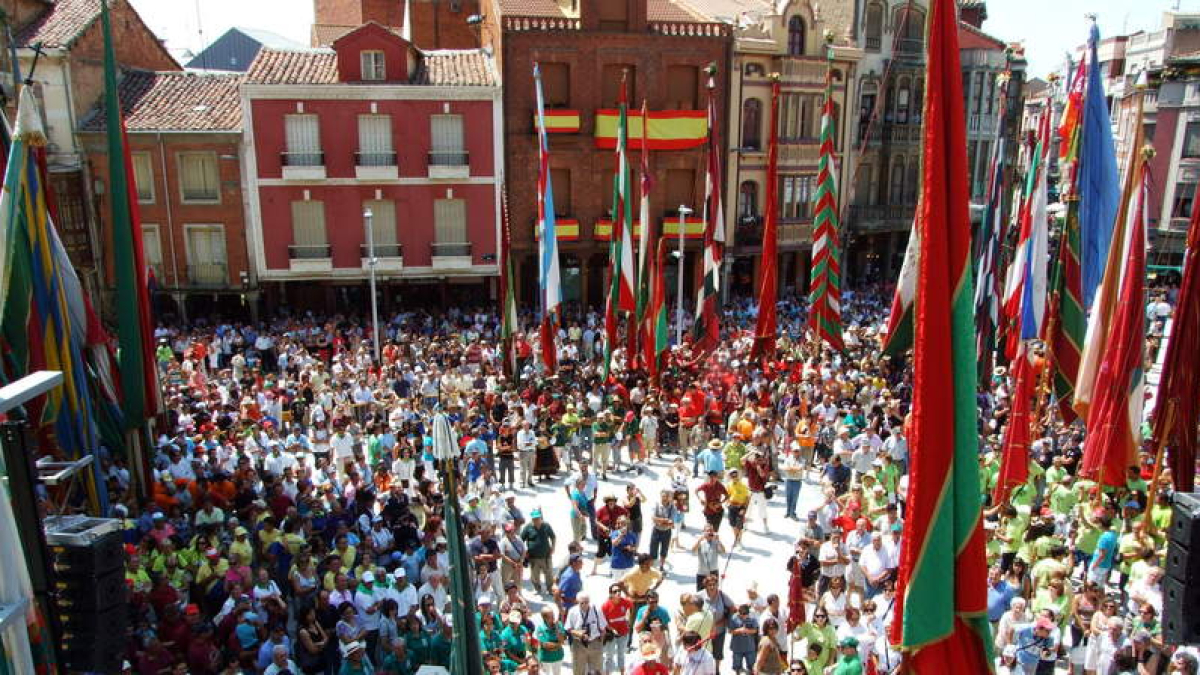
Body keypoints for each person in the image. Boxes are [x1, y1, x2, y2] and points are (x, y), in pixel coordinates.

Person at [564, 592, 607, 675]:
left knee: (597, 670)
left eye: (586, 602)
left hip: (594, 643)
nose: (584, 605)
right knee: (578, 670)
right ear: (577, 602)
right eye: (582, 603)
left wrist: (600, 643)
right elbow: (568, 629)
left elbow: (603, 629)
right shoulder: (572, 611)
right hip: (578, 644)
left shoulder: (596, 610)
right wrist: (579, 634)